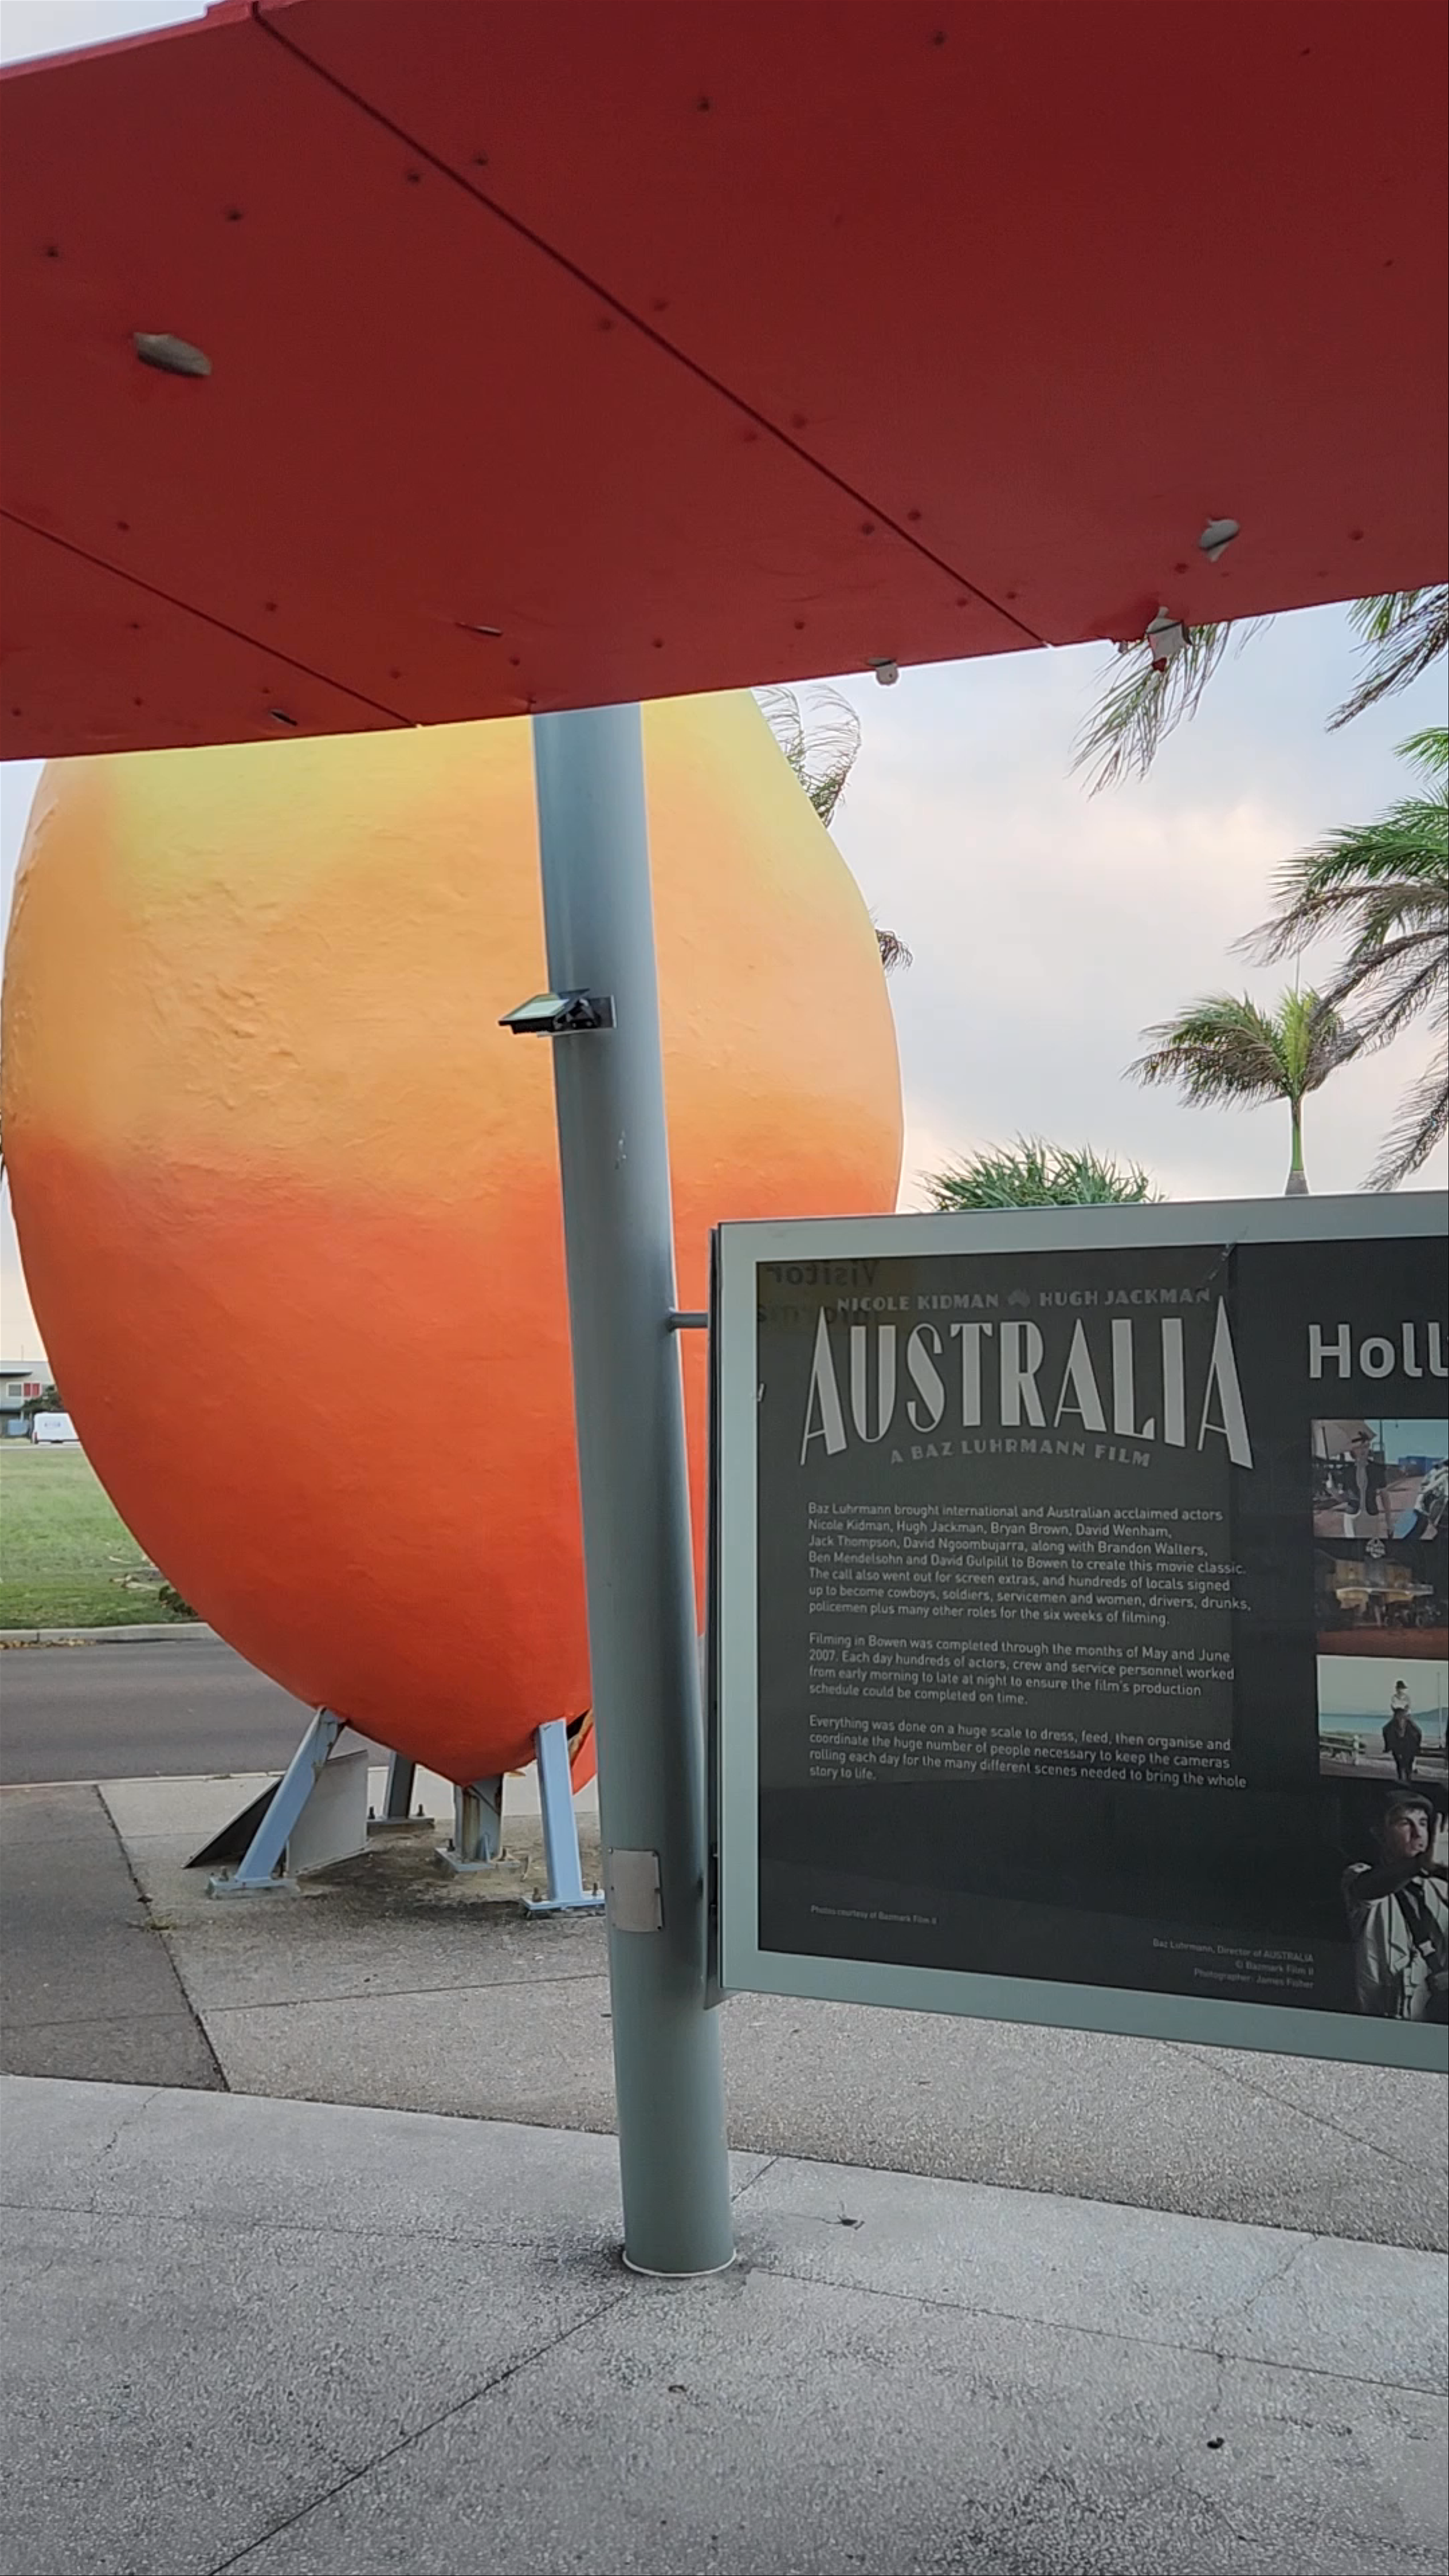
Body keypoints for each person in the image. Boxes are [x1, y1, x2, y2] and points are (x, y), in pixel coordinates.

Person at [1342, 1790, 1449, 2021]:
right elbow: (1368, 1889)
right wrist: (1420, 1865)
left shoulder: (1440, 1888)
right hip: (1376, 2023)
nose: (1418, 1833)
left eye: (1423, 1823)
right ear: (1379, 1833)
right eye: (1405, 1823)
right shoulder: (1359, 1876)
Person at [1383, 1682, 1422, 1783]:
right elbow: (1393, 1706)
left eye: (1402, 1689)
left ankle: (1418, 1747)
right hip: (1396, 1715)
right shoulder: (1394, 1698)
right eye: (1399, 1689)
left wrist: (1405, 1711)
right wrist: (1397, 1710)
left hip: (1406, 1716)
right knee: (1385, 1729)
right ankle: (1387, 1746)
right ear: (1397, 1689)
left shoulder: (1407, 1698)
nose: (1401, 1690)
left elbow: (1408, 1708)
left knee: (1418, 1731)